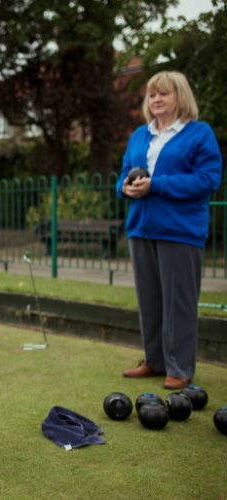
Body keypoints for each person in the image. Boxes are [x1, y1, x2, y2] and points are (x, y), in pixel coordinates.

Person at [117, 71, 222, 390]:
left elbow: (207, 179)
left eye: (164, 94)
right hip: (141, 228)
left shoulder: (199, 134)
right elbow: (123, 172)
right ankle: (155, 360)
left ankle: (180, 367)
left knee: (179, 302)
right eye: (152, 95)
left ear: (181, 97)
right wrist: (125, 187)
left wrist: (156, 185)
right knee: (149, 300)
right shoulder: (139, 135)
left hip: (180, 230)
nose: (156, 100)